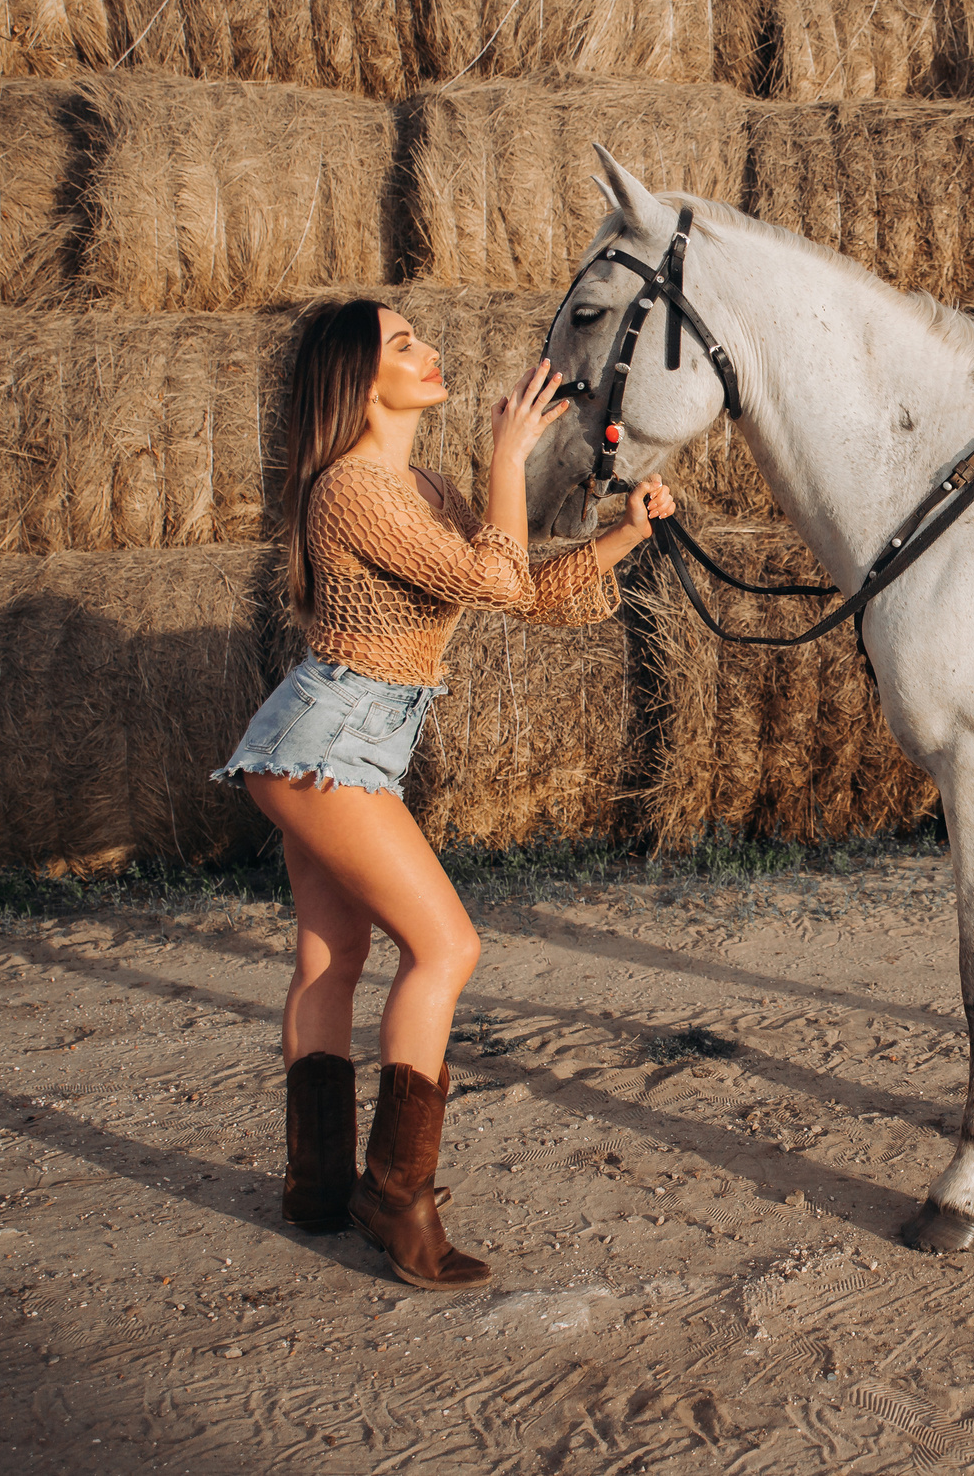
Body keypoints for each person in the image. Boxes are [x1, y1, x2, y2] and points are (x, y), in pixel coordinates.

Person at [212, 299, 672, 1291]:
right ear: (356, 380)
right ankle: (396, 1193)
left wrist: (624, 538)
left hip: (348, 745)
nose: (428, 352)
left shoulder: (418, 484)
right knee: (447, 947)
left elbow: (526, 592)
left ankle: (319, 1187)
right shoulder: (350, 491)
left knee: (332, 959)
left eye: (421, 334)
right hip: (323, 744)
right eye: (403, 345)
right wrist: (510, 462)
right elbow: (496, 580)